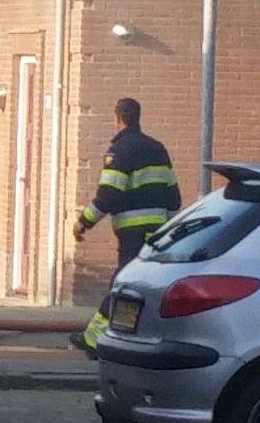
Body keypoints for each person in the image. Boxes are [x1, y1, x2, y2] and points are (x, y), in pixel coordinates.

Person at [70, 98, 180, 357]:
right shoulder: (158, 149)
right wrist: (168, 229)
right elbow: (173, 197)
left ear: (117, 118)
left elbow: (108, 195)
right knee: (142, 285)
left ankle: (95, 340)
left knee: (123, 284)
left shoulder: (119, 152)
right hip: (157, 233)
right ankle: (125, 336)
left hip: (132, 233)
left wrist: (83, 222)